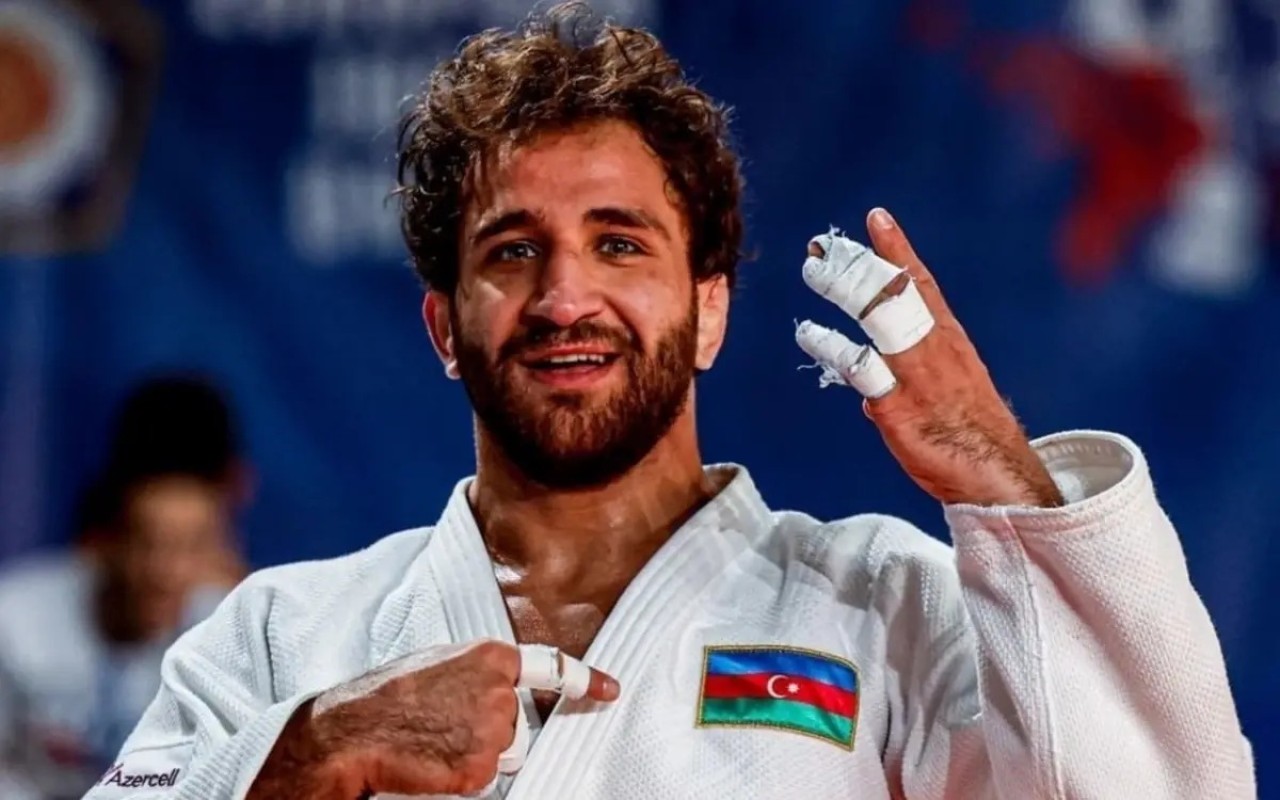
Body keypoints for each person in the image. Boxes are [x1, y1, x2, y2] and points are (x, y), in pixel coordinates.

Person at [87, 4, 1253, 799]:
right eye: (511, 251)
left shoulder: (883, 606)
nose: (564, 296)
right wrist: (315, 749)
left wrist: (1006, 486)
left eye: (619, 243)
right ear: (444, 328)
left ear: (708, 311)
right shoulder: (286, 637)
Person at [0, 377, 248, 800]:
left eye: (191, 545)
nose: (165, 572)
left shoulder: (237, 636)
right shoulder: (14, 618)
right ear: (107, 536)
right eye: (147, 541)